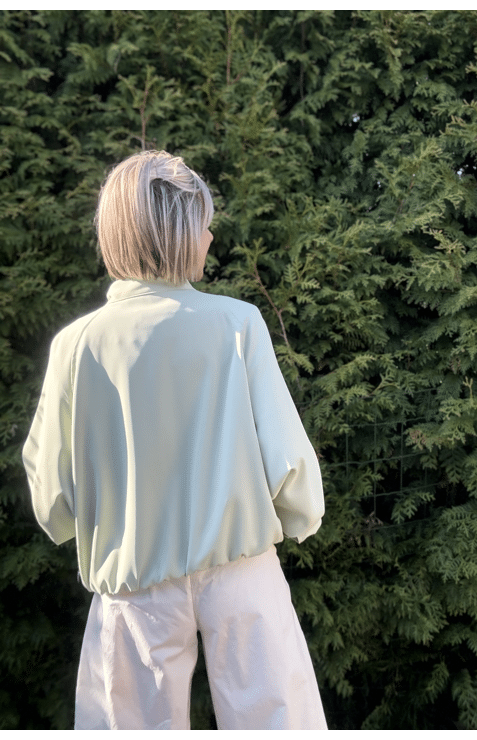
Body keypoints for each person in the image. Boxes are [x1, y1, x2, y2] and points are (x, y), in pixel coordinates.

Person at [21, 150, 328, 730]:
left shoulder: (76, 345)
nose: (211, 236)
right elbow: (287, 459)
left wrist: (71, 523)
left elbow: (50, 486)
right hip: (242, 568)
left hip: (132, 582)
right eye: (203, 223)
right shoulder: (238, 324)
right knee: (277, 719)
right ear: (180, 232)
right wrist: (300, 514)